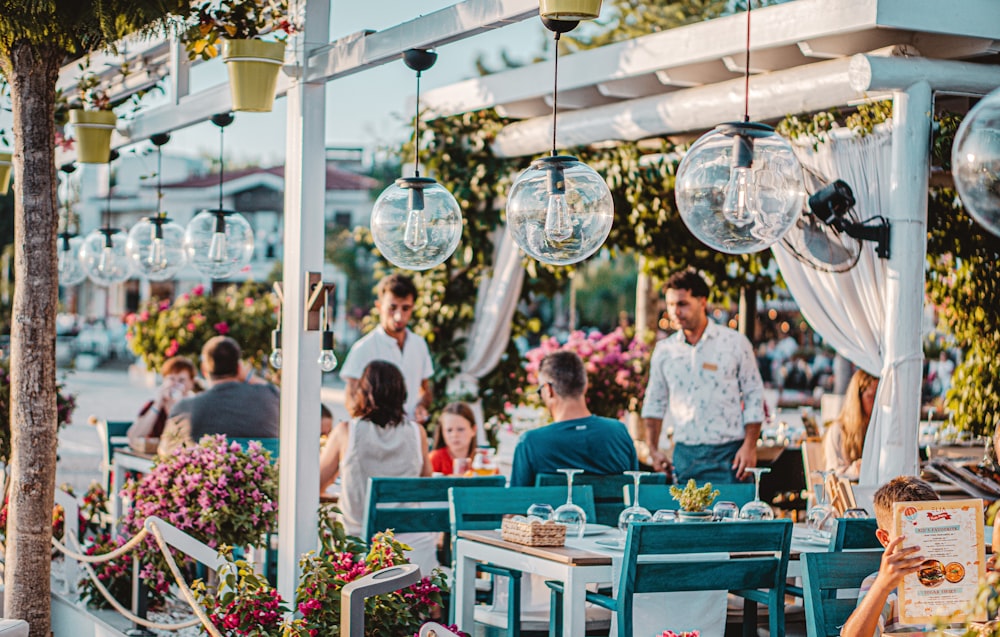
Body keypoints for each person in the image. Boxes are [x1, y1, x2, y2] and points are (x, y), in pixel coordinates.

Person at [641, 268, 765, 483]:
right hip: (684, 454)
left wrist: (750, 446)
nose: (675, 312)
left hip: (731, 455)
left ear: (702, 301)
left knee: (734, 514)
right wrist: (653, 449)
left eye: (682, 304)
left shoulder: (734, 343)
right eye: (670, 305)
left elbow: (754, 395)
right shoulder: (664, 351)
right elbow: (654, 402)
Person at [317, 361, 435, 572]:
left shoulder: (347, 432)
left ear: (363, 392)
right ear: (402, 394)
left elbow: (317, 484)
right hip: (412, 549)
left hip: (359, 547)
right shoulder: (418, 434)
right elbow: (425, 484)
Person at [510, 350, 638, 487]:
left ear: (548, 390)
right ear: (585, 385)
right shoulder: (619, 433)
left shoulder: (530, 443)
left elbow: (516, 503)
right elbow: (635, 492)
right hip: (615, 510)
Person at [841, 476, 939, 637]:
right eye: (913, 531)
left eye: (933, 527)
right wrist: (882, 586)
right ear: (885, 539)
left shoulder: (961, 577)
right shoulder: (882, 586)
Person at [158, 336, 280, 456]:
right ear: (239, 369)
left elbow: (165, 451)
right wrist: (249, 377)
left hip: (211, 475)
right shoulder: (271, 397)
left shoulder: (186, 408)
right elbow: (278, 391)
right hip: (265, 475)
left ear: (204, 370)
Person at [339, 273, 433, 424]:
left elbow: (426, 390)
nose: (398, 316)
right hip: (375, 433)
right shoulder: (363, 348)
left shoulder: (419, 344)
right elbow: (350, 398)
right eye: (392, 307)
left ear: (413, 307)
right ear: (379, 306)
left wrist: (421, 407)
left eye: (406, 308)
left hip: (409, 432)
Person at [126, 356, 198, 447]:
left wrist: (179, 407)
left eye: (181, 380)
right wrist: (158, 404)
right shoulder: (153, 405)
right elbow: (133, 436)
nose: (175, 384)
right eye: (171, 379)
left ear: (191, 383)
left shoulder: (195, 406)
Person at [823, 369, 879, 480]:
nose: (876, 403)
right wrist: (856, 469)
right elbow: (832, 475)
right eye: (871, 397)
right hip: (851, 493)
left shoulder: (880, 428)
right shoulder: (838, 430)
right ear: (857, 398)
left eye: (878, 397)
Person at [429, 402, 477, 476]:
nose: (454, 435)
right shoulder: (434, 459)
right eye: (449, 430)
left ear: (473, 430)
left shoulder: (482, 461)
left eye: (460, 429)